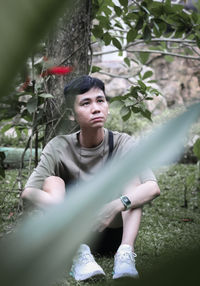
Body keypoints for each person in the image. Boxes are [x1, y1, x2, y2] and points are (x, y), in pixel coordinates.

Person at [21, 75, 160, 281]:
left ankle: (125, 256)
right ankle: (79, 255)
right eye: (86, 103)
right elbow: (28, 192)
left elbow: (152, 187)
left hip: (110, 229)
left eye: (100, 100)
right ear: (71, 115)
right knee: (53, 181)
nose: (96, 108)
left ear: (107, 106)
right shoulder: (59, 146)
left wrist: (115, 205)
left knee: (132, 181)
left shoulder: (122, 142)